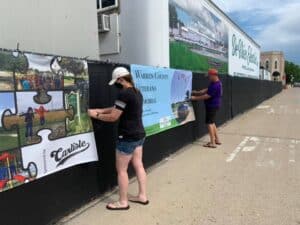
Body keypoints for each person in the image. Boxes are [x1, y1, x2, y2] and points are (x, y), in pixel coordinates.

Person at [88, 67, 148, 210]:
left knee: (122, 170)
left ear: (121, 79)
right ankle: (142, 196)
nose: (117, 84)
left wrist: (95, 115)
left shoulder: (124, 94)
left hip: (127, 137)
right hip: (139, 135)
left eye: (117, 81)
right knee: (139, 165)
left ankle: (123, 202)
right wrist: (101, 110)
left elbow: (114, 116)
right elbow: (117, 107)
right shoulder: (136, 92)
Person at [191, 68, 222, 148]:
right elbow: (206, 90)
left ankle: (212, 143)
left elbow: (206, 96)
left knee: (209, 123)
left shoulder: (216, 85)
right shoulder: (214, 83)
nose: (208, 77)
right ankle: (217, 140)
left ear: (213, 75)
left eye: (209, 76)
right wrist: (197, 92)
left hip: (212, 106)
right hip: (213, 106)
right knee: (212, 122)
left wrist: (194, 98)